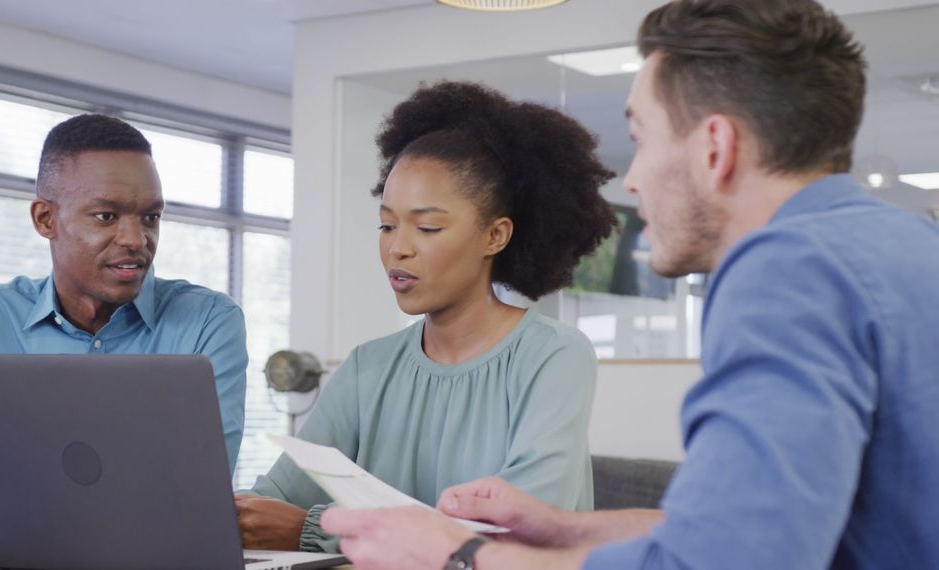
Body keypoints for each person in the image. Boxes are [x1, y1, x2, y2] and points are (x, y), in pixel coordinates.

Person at [319, 0, 939, 568]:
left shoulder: (788, 270)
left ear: (715, 148)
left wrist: (462, 556)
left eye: (641, 139)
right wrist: (566, 528)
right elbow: (748, 524)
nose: (634, 180)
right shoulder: (904, 246)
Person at [235, 81, 618, 553]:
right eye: (387, 224)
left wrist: (313, 529)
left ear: (495, 236)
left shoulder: (554, 356)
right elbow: (273, 503)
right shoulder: (367, 369)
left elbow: (515, 532)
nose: (398, 247)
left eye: (428, 227)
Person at [0, 114, 249, 553]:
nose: (137, 239)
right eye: (107, 216)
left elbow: (191, 501)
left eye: (150, 217)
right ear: (46, 219)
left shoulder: (208, 323)